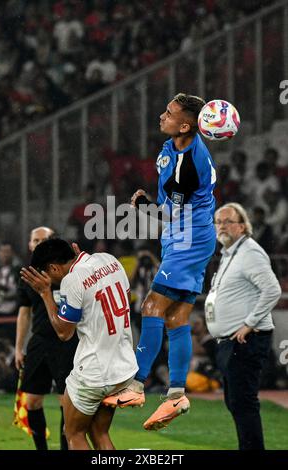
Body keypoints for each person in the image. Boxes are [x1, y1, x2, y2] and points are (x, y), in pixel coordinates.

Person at [104, 93, 217, 431]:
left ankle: (135, 385)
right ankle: (177, 394)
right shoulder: (174, 147)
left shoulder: (188, 164)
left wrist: (147, 208)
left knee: (151, 306)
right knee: (176, 316)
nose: (161, 116)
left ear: (185, 125)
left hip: (189, 238)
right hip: (186, 236)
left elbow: (172, 214)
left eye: (169, 113)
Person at [20, 238, 138, 450]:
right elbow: (125, 299)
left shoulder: (71, 281)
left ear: (54, 267)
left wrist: (46, 294)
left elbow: (64, 333)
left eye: (48, 273)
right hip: (123, 367)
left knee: (73, 433)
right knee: (99, 432)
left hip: (94, 372)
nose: (50, 279)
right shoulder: (109, 260)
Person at [205, 202, 281, 450]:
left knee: (243, 403)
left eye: (228, 221)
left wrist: (248, 324)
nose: (222, 226)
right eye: (218, 222)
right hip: (232, 341)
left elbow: (272, 290)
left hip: (246, 339)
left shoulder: (249, 251)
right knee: (237, 403)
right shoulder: (230, 254)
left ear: (242, 226)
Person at [15, 227, 78, 451]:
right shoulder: (26, 277)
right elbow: (24, 312)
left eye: (45, 239)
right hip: (39, 341)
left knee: (66, 404)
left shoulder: (66, 273)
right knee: (31, 401)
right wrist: (18, 347)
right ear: (30, 245)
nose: (40, 242)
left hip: (67, 341)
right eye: (36, 239)